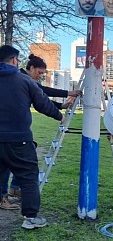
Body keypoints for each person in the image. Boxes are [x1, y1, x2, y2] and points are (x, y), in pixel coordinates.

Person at [2, 53, 82, 206]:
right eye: (39, 73)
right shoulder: (21, 77)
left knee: (19, 156)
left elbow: (39, 96)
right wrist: (66, 98)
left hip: (14, 129)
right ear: (30, 68)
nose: (40, 76)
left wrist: (59, 106)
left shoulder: (20, 78)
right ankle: (16, 203)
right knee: (19, 163)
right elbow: (42, 93)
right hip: (14, 130)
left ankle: (12, 190)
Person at [0, 45, 64, 229]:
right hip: (18, 138)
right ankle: (30, 218)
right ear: (14, 60)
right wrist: (59, 115)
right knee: (28, 176)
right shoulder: (24, 80)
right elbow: (43, 103)